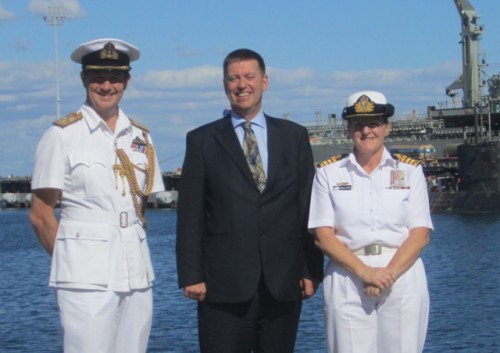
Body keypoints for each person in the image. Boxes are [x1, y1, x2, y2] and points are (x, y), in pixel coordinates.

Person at [176, 48, 324, 353]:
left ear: (265, 82)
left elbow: (307, 207)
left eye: (249, 77)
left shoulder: (294, 136)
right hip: (222, 287)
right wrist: (191, 275)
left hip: (283, 284)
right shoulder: (201, 140)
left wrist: (311, 270)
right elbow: (190, 215)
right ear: (224, 84)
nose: (242, 85)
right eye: (233, 78)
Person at [29, 38, 164, 353]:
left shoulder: (141, 137)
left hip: (136, 272)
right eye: (97, 77)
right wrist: (73, 258)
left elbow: (138, 206)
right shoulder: (61, 135)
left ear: (127, 81)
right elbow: (39, 215)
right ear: (84, 80)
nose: (106, 85)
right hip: (84, 277)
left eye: (115, 78)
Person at [308, 91, 433, 353]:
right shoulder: (328, 173)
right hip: (348, 276)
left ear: (387, 127)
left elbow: (420, 233)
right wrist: (365, 273)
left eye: (374, 123)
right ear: (349, 129)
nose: (366, 131)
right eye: (358, 125)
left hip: (401, 275)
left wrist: (386, 276)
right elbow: (323, 235)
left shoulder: (411, 171)